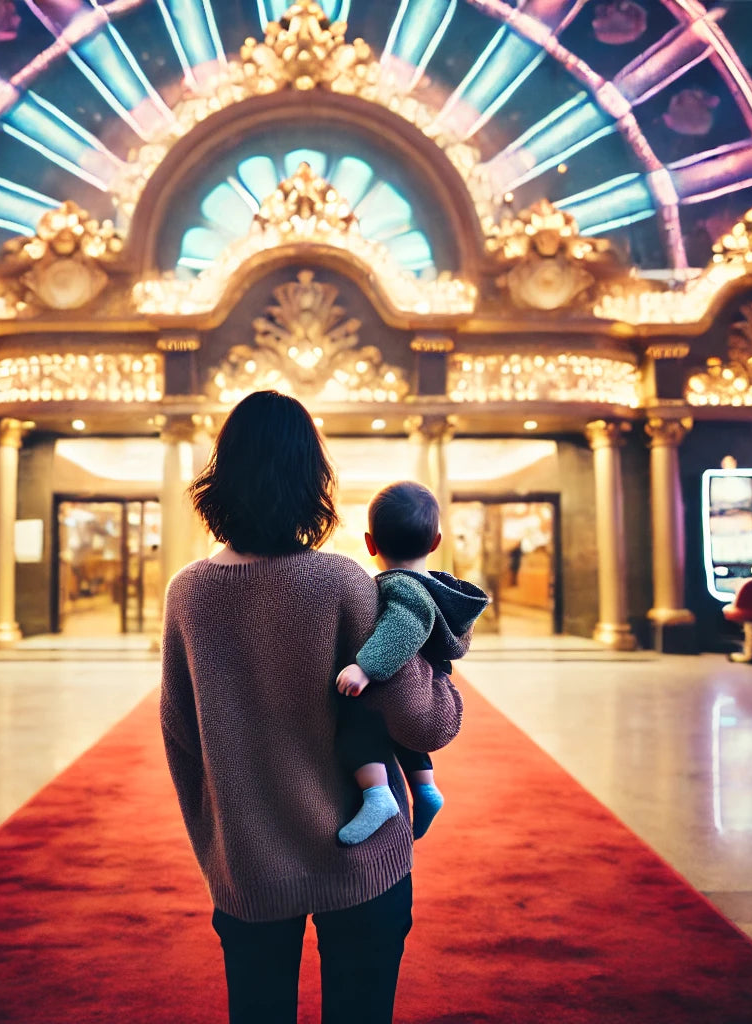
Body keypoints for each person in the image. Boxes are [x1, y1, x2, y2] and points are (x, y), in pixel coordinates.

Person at [160, 390, 464, 1024]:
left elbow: (181, 737)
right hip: (363, 860)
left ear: (221, 478)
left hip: (248, 862)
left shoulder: (188, 594)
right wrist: (441, 674)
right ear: (313, 480)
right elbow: (422, 722)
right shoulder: (344, 581)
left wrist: (222, 846)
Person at [333, 481, 488, 846]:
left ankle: (377, 795)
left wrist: (365, 668)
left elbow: (405, 624)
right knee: (390, 722)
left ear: (370, 544)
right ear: (436, 542)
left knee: (355, 717)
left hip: (413, 705)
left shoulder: (401, 585)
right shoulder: (434, 588)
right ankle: (425, 787)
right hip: (432, 704)